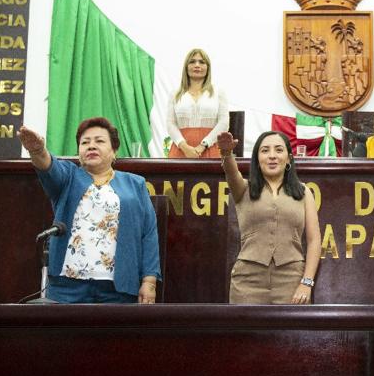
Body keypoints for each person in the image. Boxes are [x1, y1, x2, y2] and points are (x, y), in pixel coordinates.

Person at [18, 118, 160, 304]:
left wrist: (149, 282)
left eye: (99, 141)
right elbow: (48, 166)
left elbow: (148, 233)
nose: (91, 146)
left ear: (114, 150)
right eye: (85, 142)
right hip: (67, 287)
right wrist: (37, 150)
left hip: (118, 288)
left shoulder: (135, 184)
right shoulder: (68, 177)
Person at [217, 130, 321, 304]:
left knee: (290, 332)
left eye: (279, 150)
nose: (272, 156)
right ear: (257, 159)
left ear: (288, 158)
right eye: (265, 151)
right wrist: (227, 154)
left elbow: (314, 240)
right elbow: (231, 173)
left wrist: (306, 282)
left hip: (292, 280)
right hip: (247, 281)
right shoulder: (243, 189)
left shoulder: (303, 192)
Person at [167, 48, 228, 158]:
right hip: (180, 150)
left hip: (210, 148)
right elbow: (170, 124)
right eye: (192, 61)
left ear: (207, 67)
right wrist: (184, 147)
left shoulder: (218, 93)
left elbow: (224, 123)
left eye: (201, 62)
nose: (197, 65)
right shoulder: (175, 94)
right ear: (186, 67)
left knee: (210, 176)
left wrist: (203, 145)